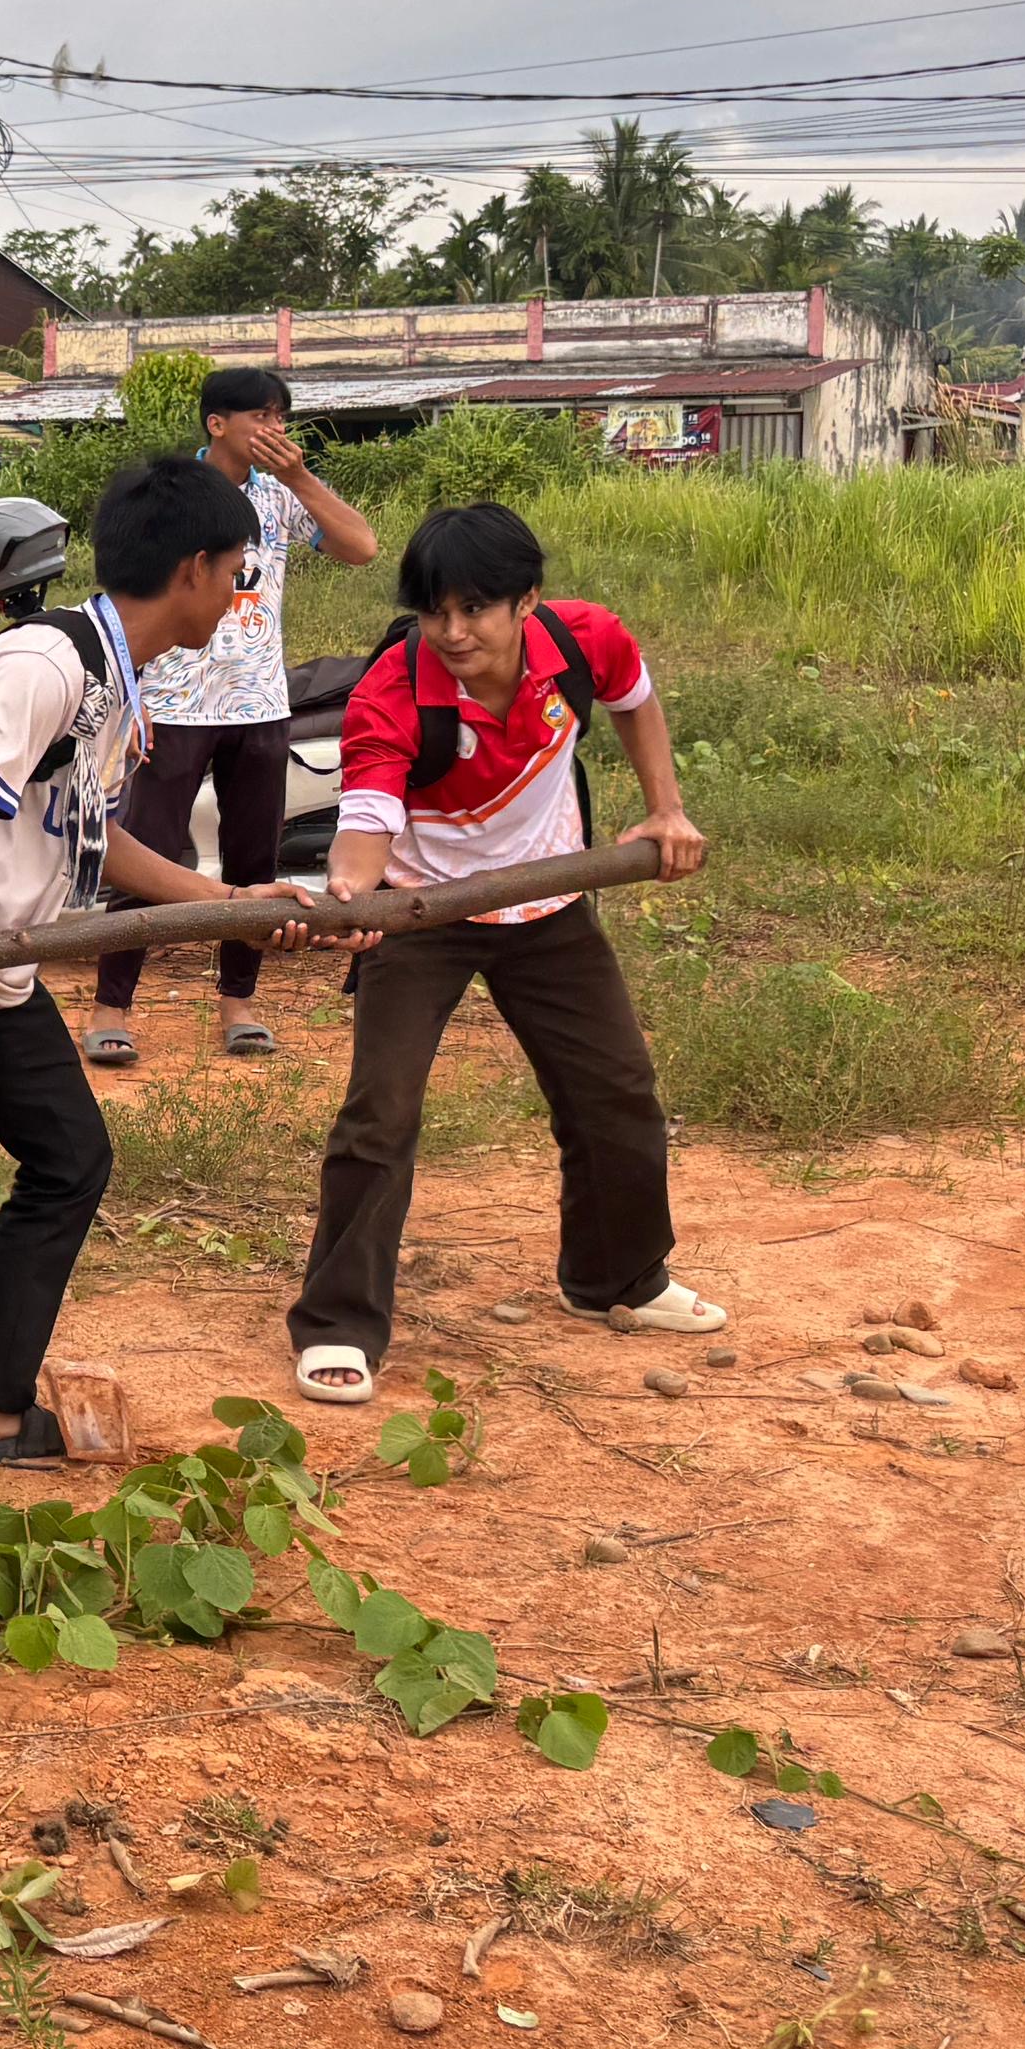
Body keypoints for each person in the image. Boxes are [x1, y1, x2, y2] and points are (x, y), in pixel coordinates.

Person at [0, 461, 339, 1473]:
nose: (238, 593)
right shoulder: (42, 667)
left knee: (69, 1158)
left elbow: (93, 843)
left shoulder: (113, 684)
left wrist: (229, 903)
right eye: (237, 572)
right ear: (193, 569)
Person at [284, 501, 714, 1409]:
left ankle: (616, 1279)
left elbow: (637, 705)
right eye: (435, 612)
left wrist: (666, 809)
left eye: (474, 610)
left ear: (527, 600)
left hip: (548, 903)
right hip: (421, 917)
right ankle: (338, 1326)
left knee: (617, 1091)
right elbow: (364, 827)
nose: (452, 632)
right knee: (380, 1115)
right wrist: (353, 904)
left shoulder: (585, 642)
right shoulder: (391, 694)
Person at [86, 365, 379, 1068]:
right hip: (175, 703)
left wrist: (304, 480)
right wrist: (132, 700)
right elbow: (127, 594)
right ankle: (109, 1007)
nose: (275, 430)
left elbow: (362, 548)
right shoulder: (176, 496)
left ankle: (238, 1004)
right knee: (147, 852)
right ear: (217, 424)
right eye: (261, 417)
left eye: (282, 417)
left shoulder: (281, 497)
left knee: (254, 857)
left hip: (260, 705)